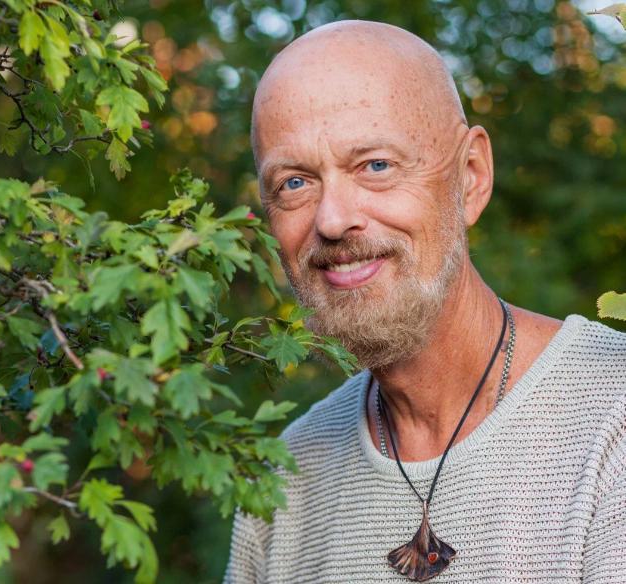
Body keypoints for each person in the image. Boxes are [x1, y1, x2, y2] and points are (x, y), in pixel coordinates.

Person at [224, 20, 626, 583]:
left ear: (470, 177)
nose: (333, 220)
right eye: (294, 183)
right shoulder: (285, 481)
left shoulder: (613, 422)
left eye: (376, 166)